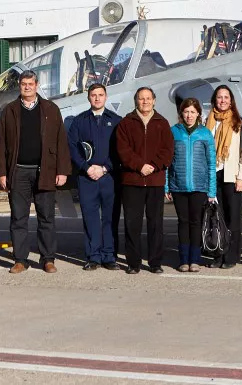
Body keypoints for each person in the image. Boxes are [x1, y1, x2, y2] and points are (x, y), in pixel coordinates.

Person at [0, 70, 71, 273]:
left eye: (30, 83)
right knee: (18, 218)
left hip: (44, 171)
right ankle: (20, 259)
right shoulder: (9, 110)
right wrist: (1, 172)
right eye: (23, 84)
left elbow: (61, 141)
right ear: (19, 86)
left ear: (37, 85)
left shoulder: (51, 109)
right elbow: (1, 143)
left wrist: (62, 170)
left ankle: (48, 259)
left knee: (46, 217)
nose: (26, 87)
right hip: (18, 172)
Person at [114, 86, 174, 275]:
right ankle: (133, 263)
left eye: (148, 98)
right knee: (133, 224)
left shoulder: (162, 123)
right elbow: (122, 150)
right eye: (141, 98)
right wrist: (139, 166)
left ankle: (155, 262)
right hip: (132, 181)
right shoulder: (126, 123)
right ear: (136, 101)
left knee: (155, 223)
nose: (145, 102)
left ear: (154, 100)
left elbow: (167, 150)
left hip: (155, 181)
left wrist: (153, 166)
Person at [67, 82, 122, 271]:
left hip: (109, 178)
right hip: (86, 177)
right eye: (93, 95)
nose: (97, 98)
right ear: (88, 97)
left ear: (106, 97)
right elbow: (72, 147)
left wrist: (106, 168)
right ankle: (93, 256)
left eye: (100, 94)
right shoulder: (79, 121)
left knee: (110, 218)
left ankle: (109, 256)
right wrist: (86, 167)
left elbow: (120, 150)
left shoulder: (116, 120)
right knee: (90, 218)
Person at [167, 98, 217, 272]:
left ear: (198, 114)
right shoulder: (174, 132)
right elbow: (167, 161)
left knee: (196, 222)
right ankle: (183, 260)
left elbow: (211, 163)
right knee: (183, 222)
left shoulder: (205, 134)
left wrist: (211, 190)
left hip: (199, 186)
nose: (189, 115)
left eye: (192, 112)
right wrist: (167, 186)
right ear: (181, 113)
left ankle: (195, 259)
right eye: (186, 112)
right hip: (178, 185)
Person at [206, 84, 242, 269]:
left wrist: (241, 177)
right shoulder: (209, 121)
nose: (223, 101)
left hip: (232, 175)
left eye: (226, 97)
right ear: (215, 100)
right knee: (216, 217)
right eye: (219, 97)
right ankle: (217, 254)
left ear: (231, 101)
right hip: (214, 174)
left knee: (233, 218)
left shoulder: (238, 122)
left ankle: (231, 256)